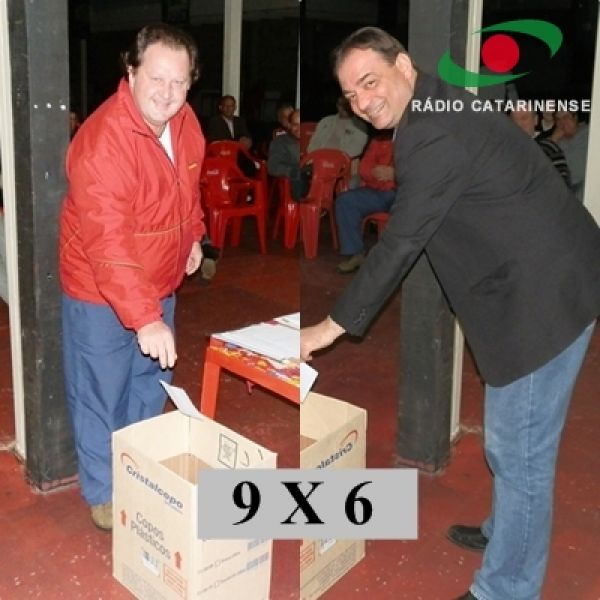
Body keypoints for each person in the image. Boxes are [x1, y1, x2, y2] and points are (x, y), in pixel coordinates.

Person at [300, 26, 600, 600]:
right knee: (512, 444)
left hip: (545, 298)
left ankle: (506, 588)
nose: (363, 102)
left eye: (370, 82)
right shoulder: (435, 102)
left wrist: (327, 328)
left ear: (403, 65)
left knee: (519, 451)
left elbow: (401, 243)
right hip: (536, 278)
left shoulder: (432, 130)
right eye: (352, 94)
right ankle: (507, 534)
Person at [59, 24, 206, 531]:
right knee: (100, 393)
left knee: (148, 384)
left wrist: (194, 236)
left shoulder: (185, 122)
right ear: (131, 71)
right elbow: (108, 245)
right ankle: (103, 491)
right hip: (99, 291)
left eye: (179, 82)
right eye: (157, 78)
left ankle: (136, 470)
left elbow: (187, 190)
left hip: (159, 279)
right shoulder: (103, 142)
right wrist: (145, 318)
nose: (168, 93)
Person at [335, 130, 395, 273]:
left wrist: (395, 174)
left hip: (404, 193)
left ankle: (395, 261)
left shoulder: (415, 136)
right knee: (345, 201)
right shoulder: (379, 139)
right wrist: (375, 173)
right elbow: (364, 168)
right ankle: (356, 253)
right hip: (377, 192)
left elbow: (422, 169)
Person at [307, 95, 369, 187]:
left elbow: (356, 149)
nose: (344, 108)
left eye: (347, 105)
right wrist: (316, 157)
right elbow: (313, 143)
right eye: (341, 105)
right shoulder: (325, 121)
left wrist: (333, 159)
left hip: (343, 164)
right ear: (337, 105)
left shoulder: (360, 126)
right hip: (319, 161)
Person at [509, 106, 571, 187]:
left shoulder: (549, 149)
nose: (519, 124)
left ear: (535, 120)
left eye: (524, 118)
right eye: (514, 120)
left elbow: (561, 186)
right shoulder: (505, 150)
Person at [267, 108, 305, 200]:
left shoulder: (314, 140)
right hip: (295, 181)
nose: (299, 128)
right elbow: (272, 166)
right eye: (295, 125)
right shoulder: (280, 142)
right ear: (289, 125)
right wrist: (293, 171)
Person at [552, 110, 589, 202]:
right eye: (558, 119)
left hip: (586, 188)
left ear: (575, 118)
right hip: (561, 192)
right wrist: (553, 140)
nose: (562, 122)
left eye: (565, 117)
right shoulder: (556, 141)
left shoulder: (589, 133)